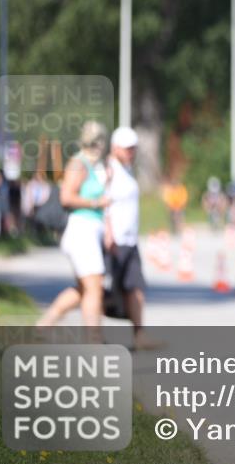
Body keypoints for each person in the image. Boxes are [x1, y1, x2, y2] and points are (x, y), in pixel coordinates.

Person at [37, 121, 111, 329]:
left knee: (83, 288)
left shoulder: (95, 165)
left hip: (90, 230)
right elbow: (66, 197)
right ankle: (92, 340)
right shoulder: (79, 163)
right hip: (81, 230)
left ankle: (44, 324)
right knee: (94, 289)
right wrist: (96, 202)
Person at [103, 127, 159, 349]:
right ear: (115, 148)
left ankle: (139, 335)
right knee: (103, 292)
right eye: (127, 149)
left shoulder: (127, 170)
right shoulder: (108, 170)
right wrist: (108, 232)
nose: (131, 152)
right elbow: (102, 202)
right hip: (114, 240)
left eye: (133, 149)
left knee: (136, 287)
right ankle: (93, 335)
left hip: (130, 239)